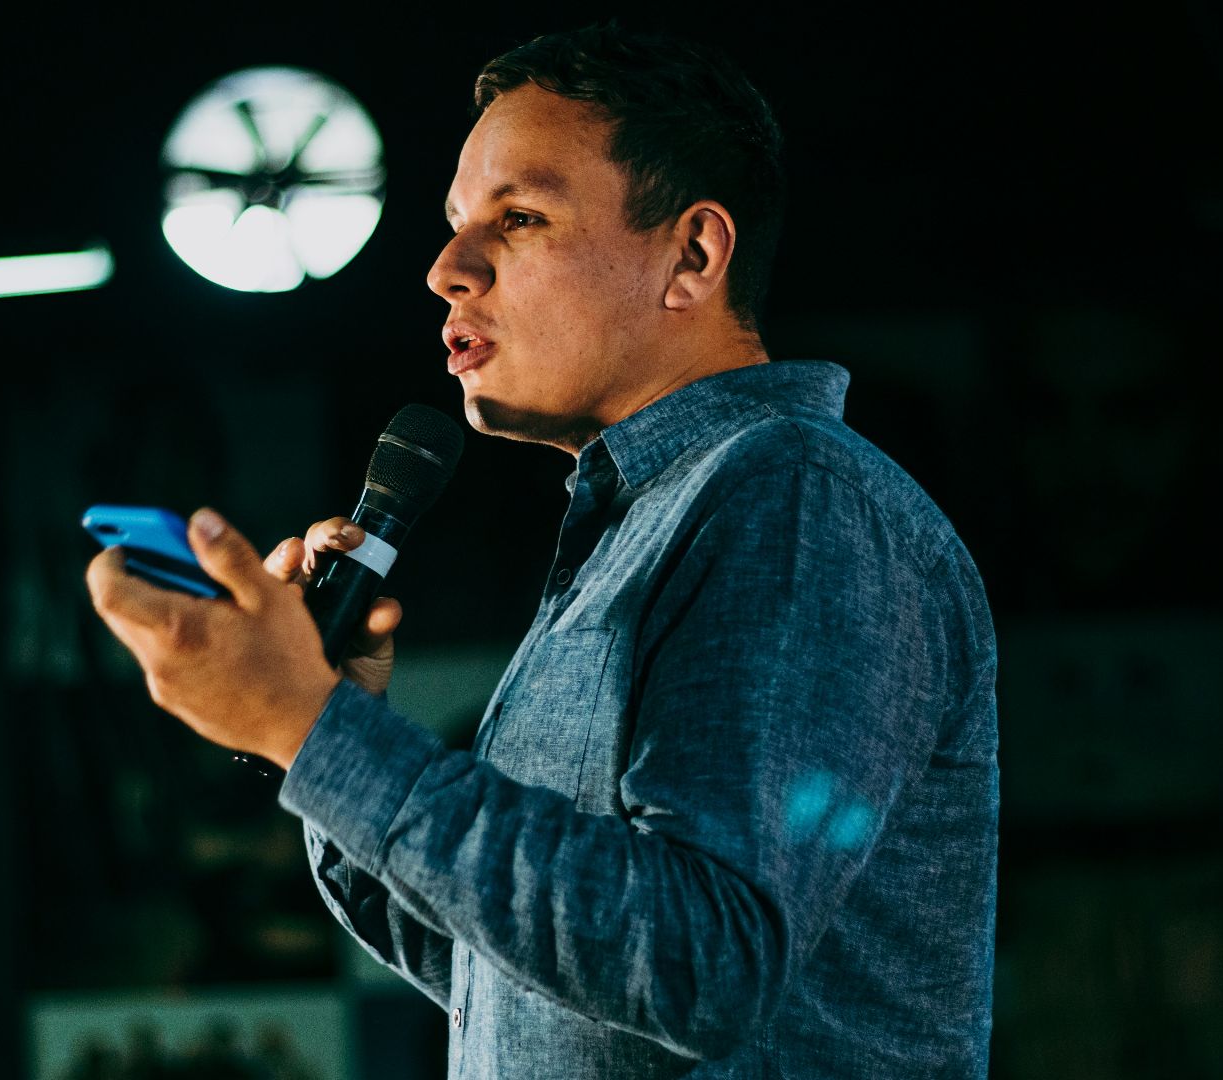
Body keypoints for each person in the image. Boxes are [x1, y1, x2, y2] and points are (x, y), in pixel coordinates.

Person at [87, 23, 999, 1079]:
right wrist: (327, 733)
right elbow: (507, 976)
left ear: (693, 256)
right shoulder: (646, 526)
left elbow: (702, 962)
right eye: (454, 226)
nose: (446, 270)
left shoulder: (792, 498)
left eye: (519, 218)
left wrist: (313, 726)